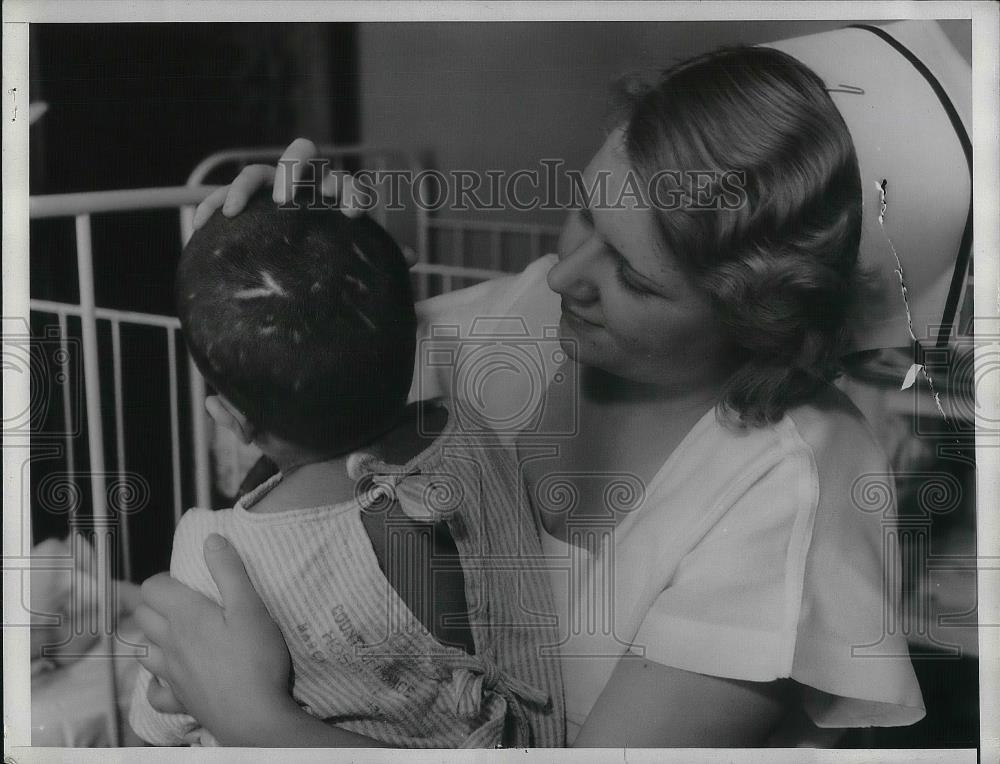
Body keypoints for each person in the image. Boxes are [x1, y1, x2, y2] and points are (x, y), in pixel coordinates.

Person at [135, 27, 971, 745]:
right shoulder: (523, 319)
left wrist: (257, 723)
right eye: (584, 211)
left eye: (635, 281)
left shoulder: (789, 490)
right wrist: (281, 260)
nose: (565, 274)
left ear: (764, 323)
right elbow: (283, 423)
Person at [130, 192, 565, 747]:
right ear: (415, 342)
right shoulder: (473, 433)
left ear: (227, 419)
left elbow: (155, 724)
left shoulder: (218, 556)